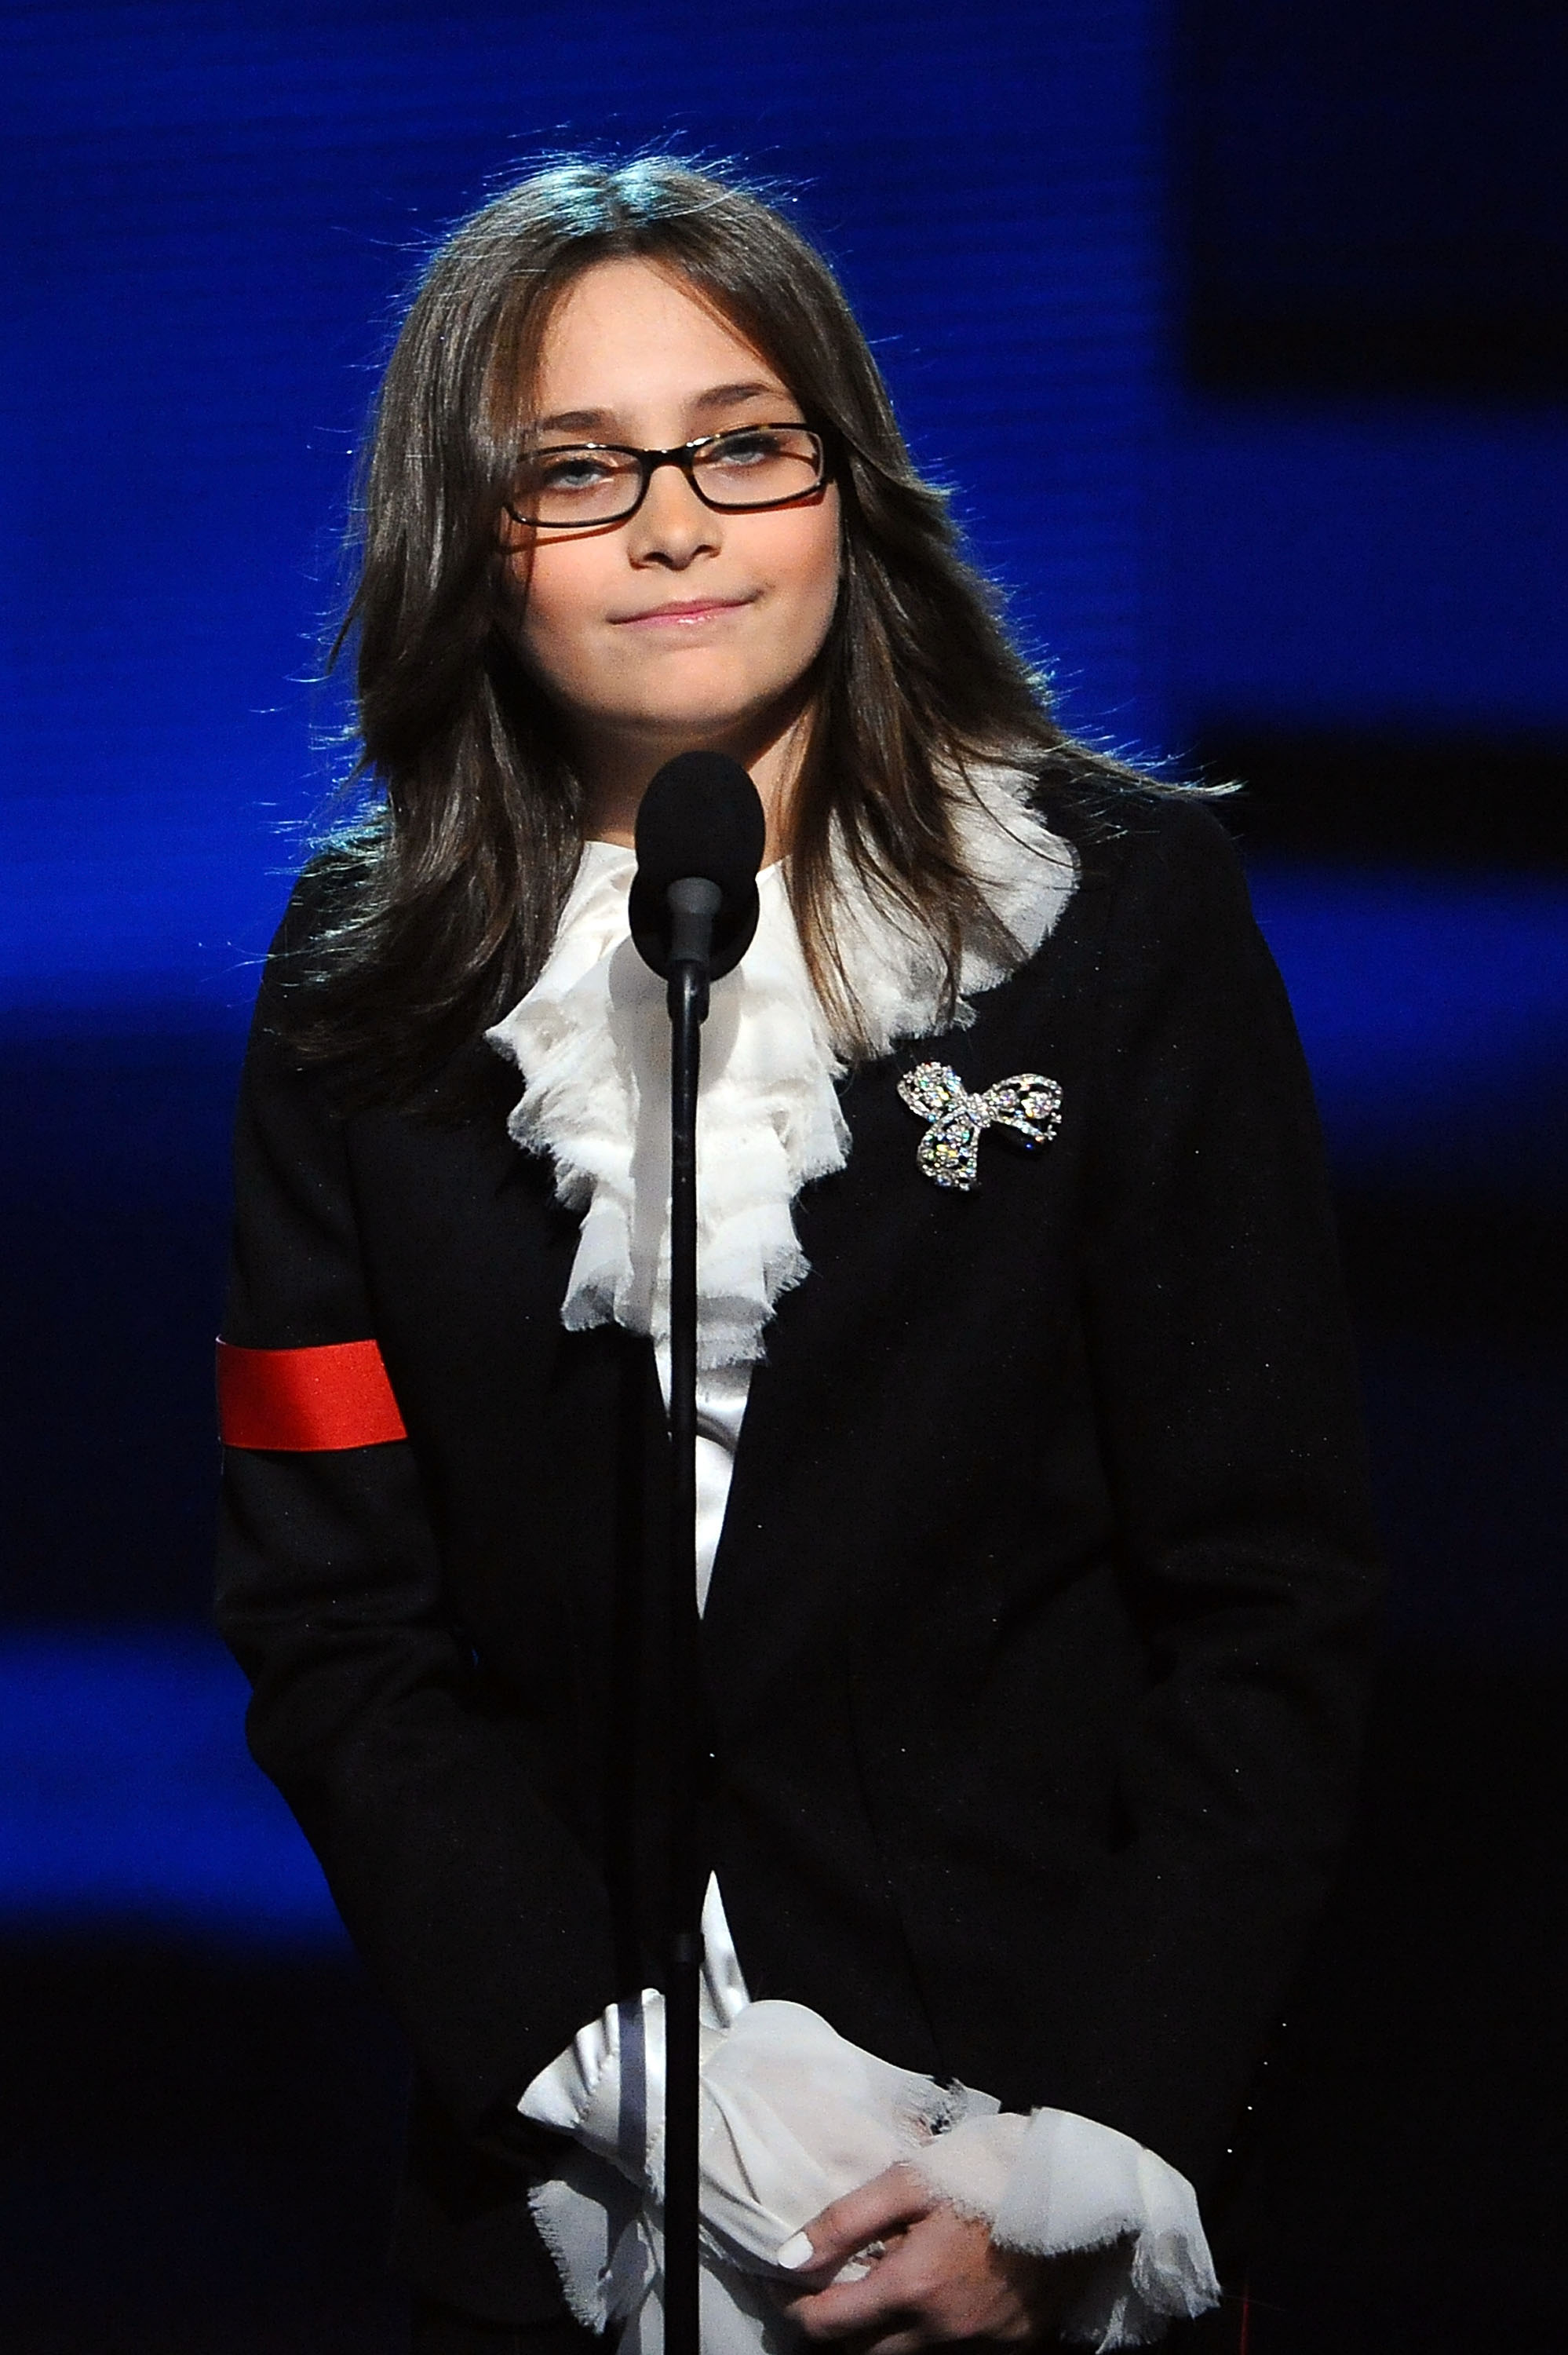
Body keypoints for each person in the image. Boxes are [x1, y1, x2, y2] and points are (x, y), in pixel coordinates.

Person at [214, 158, 1381, 2355]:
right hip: (560, 2195)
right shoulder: (352, 987)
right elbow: (327, 1616)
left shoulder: (1113, 924)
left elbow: (1274, 1607)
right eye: (579, 472)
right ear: (469, 541)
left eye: (742, 443)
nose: (676, 522)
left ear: (848, 482)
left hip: (1017, 2160)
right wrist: (627, 2090)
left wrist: (1079, 2159)